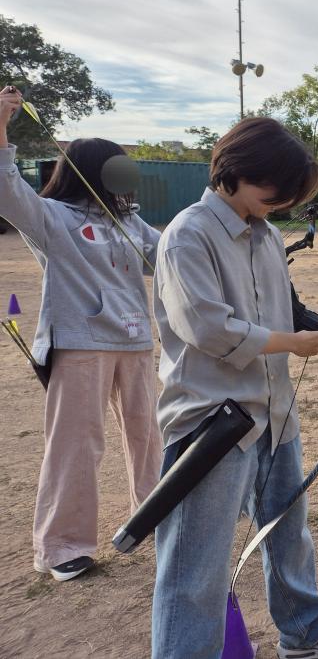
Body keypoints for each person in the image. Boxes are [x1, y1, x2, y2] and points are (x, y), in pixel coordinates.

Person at [151, 116, 318, 659]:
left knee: (287, 532)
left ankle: (306, 632)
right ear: (233, 173)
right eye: (274, 191)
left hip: (274, 416)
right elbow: (207, 328)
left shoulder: (263, 233)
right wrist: (288, 343)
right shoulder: (186, 235)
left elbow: (291, 309)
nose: (281, 204)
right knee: (196, 571)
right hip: (212, 426)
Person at [0, 85, 162, 582]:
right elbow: (8, 190)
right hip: (80, 345)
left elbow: (175, 257)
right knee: (76, 443)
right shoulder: (53, 219)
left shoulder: (133, 223)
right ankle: (62, 546)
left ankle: (157, 518)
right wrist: (1, 127)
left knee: (148, 436)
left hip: (136, 343)